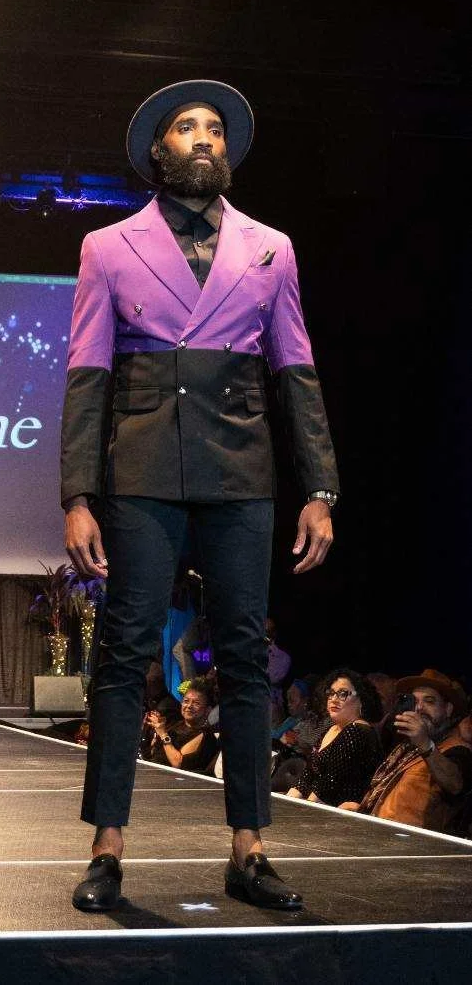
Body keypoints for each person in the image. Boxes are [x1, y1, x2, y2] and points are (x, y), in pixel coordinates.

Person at [62, 79, 339, 912]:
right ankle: (106, 847)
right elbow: (87, 374)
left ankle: (248, 848)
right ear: (159, 150)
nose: (204, 137)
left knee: (245, 657)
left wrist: (318, 486)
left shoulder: (270, 247)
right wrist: (77, 492)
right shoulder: (107, 246)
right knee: (124, 653)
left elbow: (295, 370)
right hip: (142, 466)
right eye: (187, 127)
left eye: (214, 127)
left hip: (239, 467)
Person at [358, 669, 472, 834]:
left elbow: (455, 784)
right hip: (377, 834)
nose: (419, 708)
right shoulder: (406, 744)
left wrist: (424, 743)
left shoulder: (458, 748)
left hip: (412, 844)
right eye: (414, 701)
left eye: (429, 701)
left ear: (447, 709)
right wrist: (361, 809)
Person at [286, 669, 382, 807]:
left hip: (340, 813)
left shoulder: (357, 730)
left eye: (343, 694)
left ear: (361, 700)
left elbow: (327, 788)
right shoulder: (331, 729)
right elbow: (306, 778)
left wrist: (297, 813)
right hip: (318, 807)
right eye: (331, 693)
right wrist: (286, 804)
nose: (334, 699)